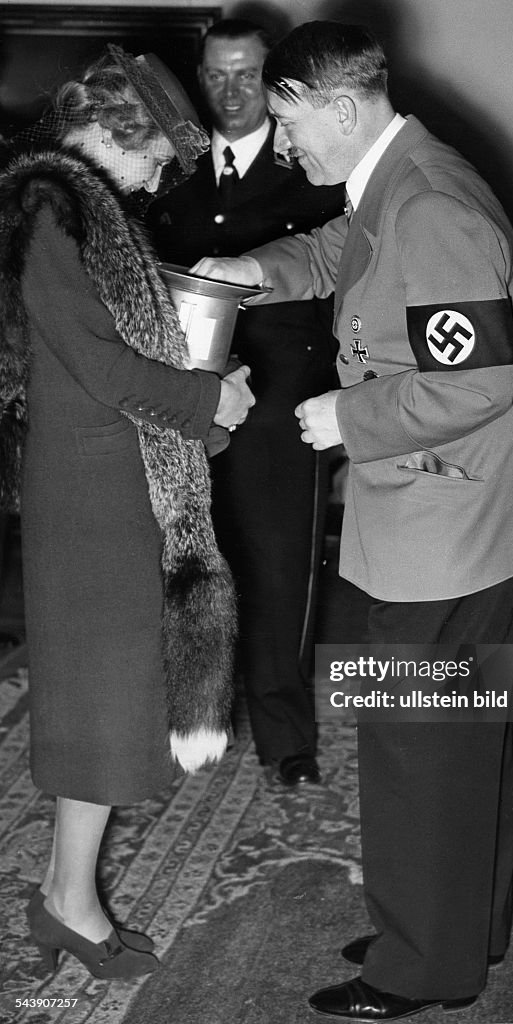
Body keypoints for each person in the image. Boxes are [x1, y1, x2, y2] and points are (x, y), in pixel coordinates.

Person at [192, 20, 513, 1020]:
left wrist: (342, 415)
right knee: (455, 740)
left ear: (341, 109)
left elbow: (476, 380)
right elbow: (338, 249)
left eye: (292, 121)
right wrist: (253, 270)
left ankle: (418, 965)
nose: (286, 141)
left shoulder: (429, 203)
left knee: (414, 741)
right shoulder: (400, 182)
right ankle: (457, 927)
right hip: (459, 510)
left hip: (447, 520)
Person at [0, 46, 254, 979]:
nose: (158, 179)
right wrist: (204, 403)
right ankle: (68, 903)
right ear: (112, 132)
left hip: (112, 482)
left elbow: (111, 358)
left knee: (107, 703)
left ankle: (68, 898)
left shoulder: (74, 205)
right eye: (155, 158)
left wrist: (206, 391)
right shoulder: (45, 204)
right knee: (100, 702)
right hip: (88, 493)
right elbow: (99, 366)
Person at [146, 19, 344, 787]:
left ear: (274, 80)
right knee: (190, 560)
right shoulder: (171, 174)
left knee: (279, 566)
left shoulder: (313, 173)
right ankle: (191, 720)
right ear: (199, 78)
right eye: (216, 76)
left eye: (248, 75)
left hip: (283, 409)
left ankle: (285, 739)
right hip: (187, 404)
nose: (231, 93)